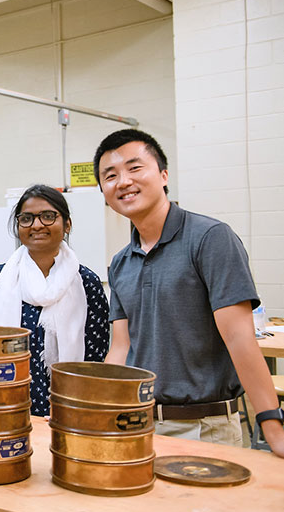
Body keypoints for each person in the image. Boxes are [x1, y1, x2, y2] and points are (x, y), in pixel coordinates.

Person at [97, 128, 284, 457]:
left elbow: (240, 339)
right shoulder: (120, 263)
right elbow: (121, 348)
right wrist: (95, 408)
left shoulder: (211, 238)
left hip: (204, 428)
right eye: (110, 175)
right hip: (138, 425)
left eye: (135, 167)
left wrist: (272, 425)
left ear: (164, 174)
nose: (123, 181)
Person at [0, 184, 109, 417]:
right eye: (26, 218)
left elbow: (96, 356)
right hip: (4, 408)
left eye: (48, 216)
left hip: (67, 411)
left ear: (67, 224)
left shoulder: (86, 282)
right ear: (18, 227)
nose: (37, 225)